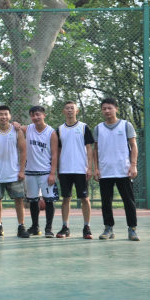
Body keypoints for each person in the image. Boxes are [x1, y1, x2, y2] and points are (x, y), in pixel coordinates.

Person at [93, 98, 140, 241]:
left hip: (123, 170)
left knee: (129, 201)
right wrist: (96, 168)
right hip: (105, 171)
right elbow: (95, 149)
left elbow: (134, 146)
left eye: (110, 108)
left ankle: (132, 229)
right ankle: (108, 228)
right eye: (104, 109)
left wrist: (133, 165)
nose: (107, 111)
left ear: (116, 109)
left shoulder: (126, 125)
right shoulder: (98, 128)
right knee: (106, 202)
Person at [0, 105, 30, 238]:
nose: (3, 117)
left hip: (14, 173)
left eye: (6, 114)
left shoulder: (17, 131)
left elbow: (23, 151)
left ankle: (21, 226)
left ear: (10, 116)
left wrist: (21, 170)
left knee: (19, 200)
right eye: (1, 114)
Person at [18, 106, 59, 238]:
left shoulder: (51, 132)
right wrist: (15, 124)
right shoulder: (28, 128)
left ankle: (49, 228)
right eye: (33, 115)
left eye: (38, 114)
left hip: (46, 172)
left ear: (44, 115)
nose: (35, 117)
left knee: (48, 200)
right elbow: (16, 127)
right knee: (33, 200)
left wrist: (52, 173)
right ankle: (35, 226)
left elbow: (55, 154)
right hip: (30, 172)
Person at [56, 100, 95, 239]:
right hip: (65, 170)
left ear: (77, 111)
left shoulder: (84, 127)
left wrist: (89, 168)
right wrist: (58, 169)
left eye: (72, 108)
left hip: (80, 169)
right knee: (66, 198)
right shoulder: (60, 129)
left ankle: (87, 227)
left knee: (84, 198)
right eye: (67, 108)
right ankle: (65, 227)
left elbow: (89, 149)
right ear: (63, 112)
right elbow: (58, 151)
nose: (70, 110)